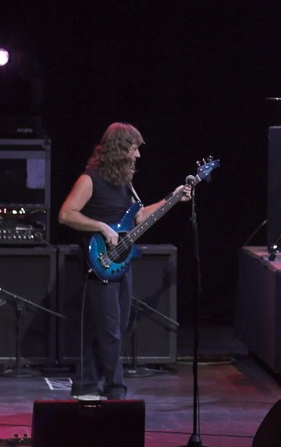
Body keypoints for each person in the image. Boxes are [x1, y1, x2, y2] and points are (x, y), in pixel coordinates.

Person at [57, 122, 190, 401]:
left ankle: (85, 384)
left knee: (117, 327)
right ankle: (115, 389)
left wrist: (173, 198)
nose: (138, 155)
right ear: (119, 148)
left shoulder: (125, 183)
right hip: (99, 263)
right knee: (110, 331)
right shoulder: (89, 179)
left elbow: (139, 217)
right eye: (134, 148)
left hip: (120, 264)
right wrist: (100, 226)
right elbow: (66, 214)